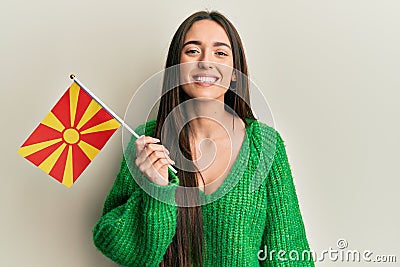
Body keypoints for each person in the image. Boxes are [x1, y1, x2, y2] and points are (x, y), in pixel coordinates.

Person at [92, 10, 314, 267]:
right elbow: (119, 246)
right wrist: (156, 188)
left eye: (220, 53)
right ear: (176, 67)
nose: (206, 62)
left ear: (234, 71)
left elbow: (288, 253)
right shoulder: (146, 142)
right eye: (193, 51)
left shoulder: (264, 145)